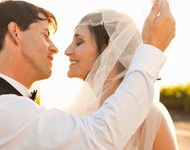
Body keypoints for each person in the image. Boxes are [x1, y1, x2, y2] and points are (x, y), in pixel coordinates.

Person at [0, 0, 175, 149]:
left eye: (79, 42)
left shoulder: (0, 107)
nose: (57, 48)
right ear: (15, 33)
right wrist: (152, 48)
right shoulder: (2, 111)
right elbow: (98, 139)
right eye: (46, 35)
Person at [65, 5, 178, 150]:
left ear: (110, 50)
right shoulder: (80, 113)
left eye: (79, 42)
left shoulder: (149, 115)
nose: (67, 51)